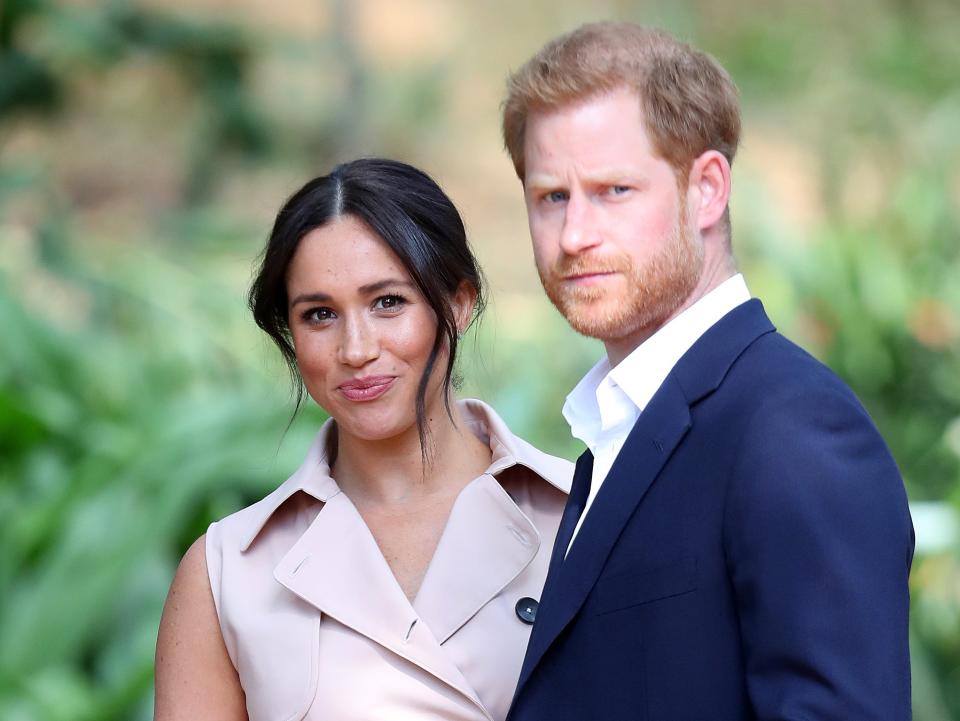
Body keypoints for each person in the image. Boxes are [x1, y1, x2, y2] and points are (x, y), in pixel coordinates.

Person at [501, 22, 914, 720]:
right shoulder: (618, 429)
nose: (574, 236)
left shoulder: (793, 429)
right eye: (552, 197)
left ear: (708, 190)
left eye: (613, 190)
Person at [154, 158, 571, 721]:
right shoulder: (227, 572)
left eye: (388, 303)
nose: (356, 349)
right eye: (320, 314)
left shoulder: (583, 515)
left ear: (459, 303)